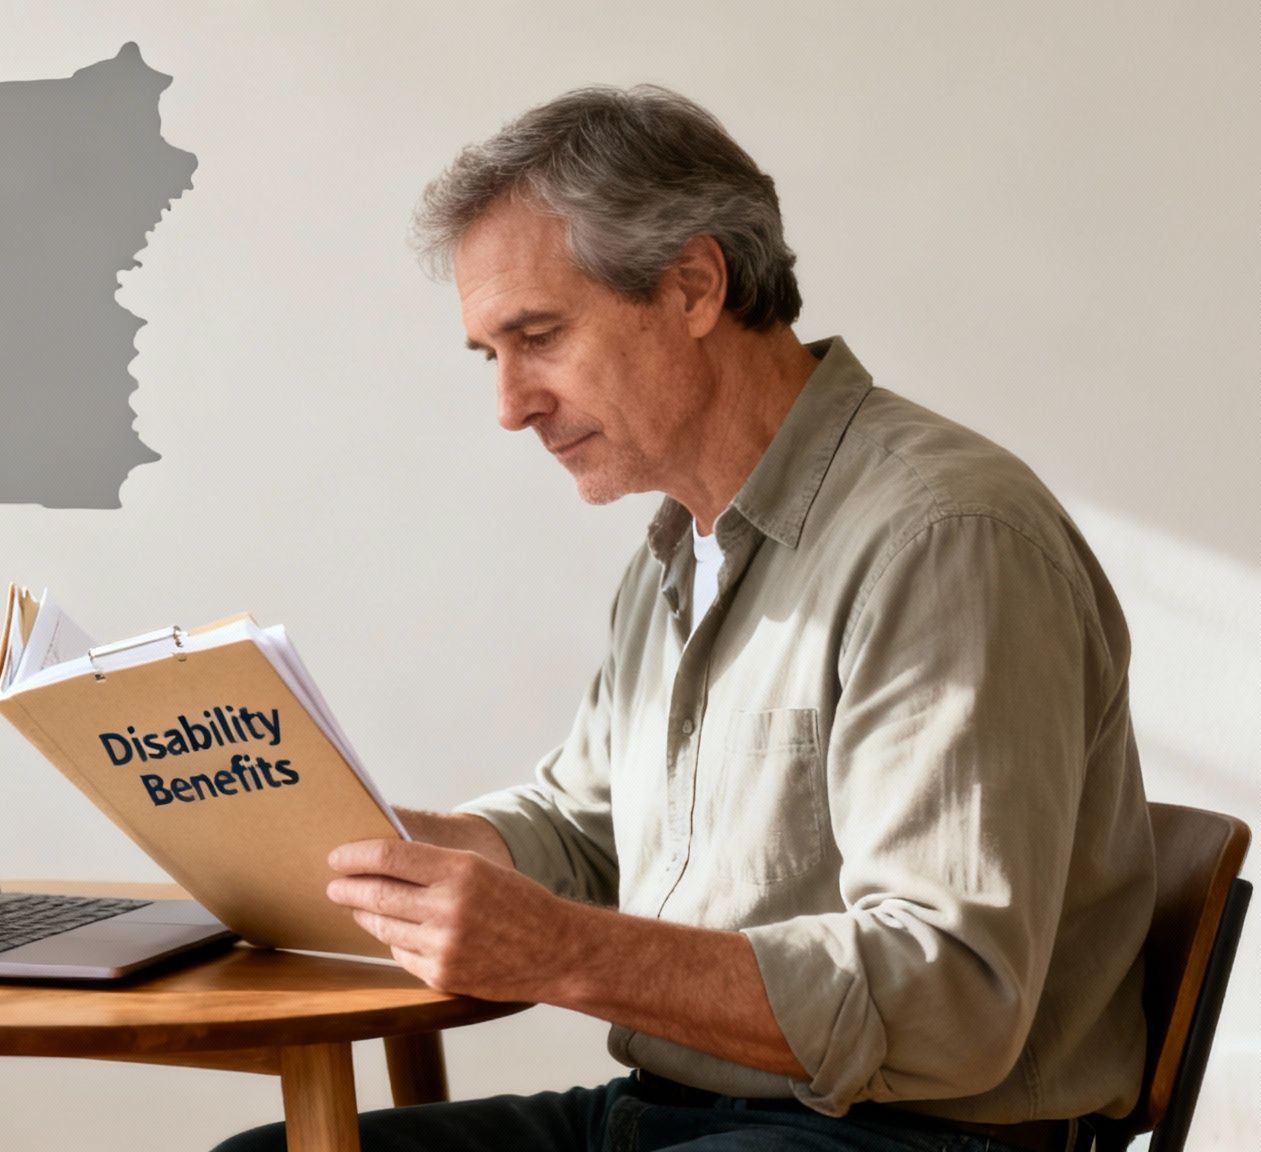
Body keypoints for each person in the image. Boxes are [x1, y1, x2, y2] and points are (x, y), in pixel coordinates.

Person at [213, 85, 1154, 1152]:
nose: (508, 404)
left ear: (694, 285)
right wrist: (381, 851)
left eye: (539, 338)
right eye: (490, 355)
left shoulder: (942, 538)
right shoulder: (679, 548)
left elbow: (953, 999)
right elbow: (581, 830)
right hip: (688, 1110)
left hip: (908, 1131)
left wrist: (563, 952)